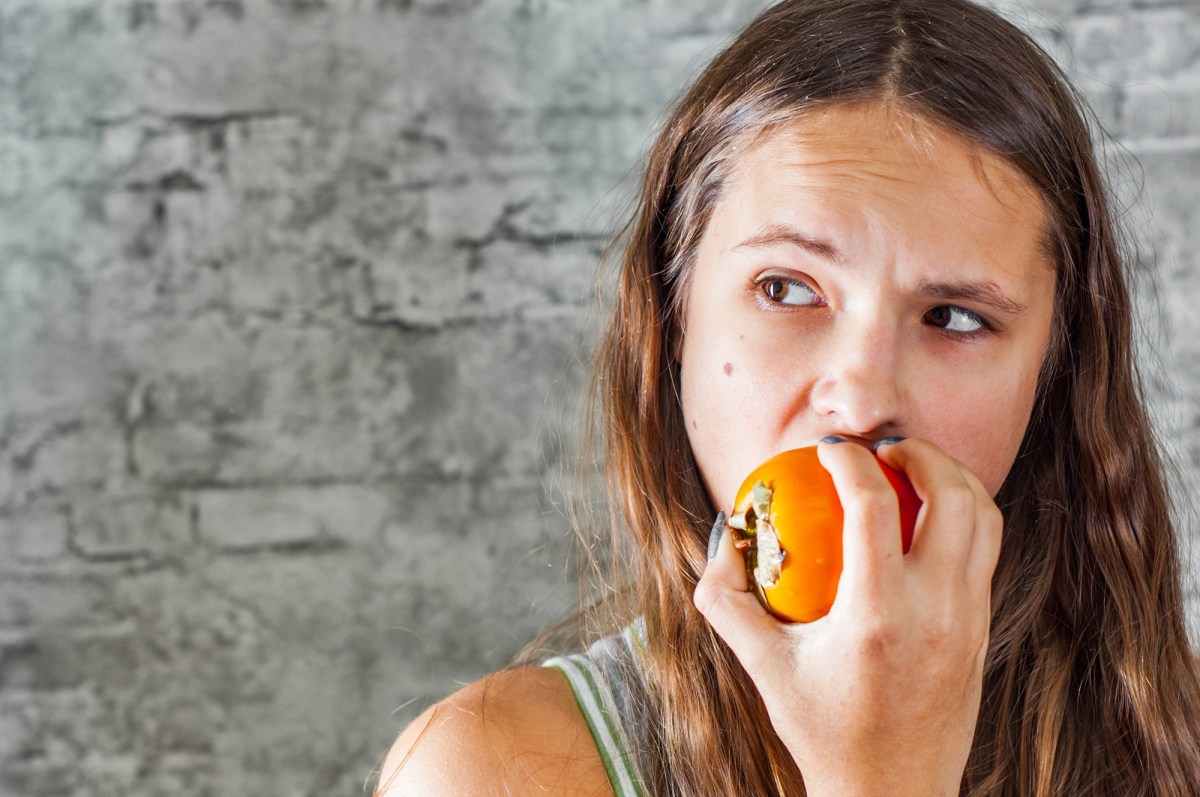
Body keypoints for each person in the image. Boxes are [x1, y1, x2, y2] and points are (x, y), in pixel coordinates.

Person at [375, 0, 1200, 793]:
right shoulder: (491, 771)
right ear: (674, 321)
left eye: (954, 316)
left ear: (1052, 376)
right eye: (787, 289)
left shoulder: (1177, 742)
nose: (860, 400)